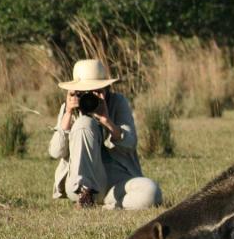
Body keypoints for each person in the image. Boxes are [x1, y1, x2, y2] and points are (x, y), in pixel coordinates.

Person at [49, 59, 162, 210]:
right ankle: (85, 193)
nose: (90, 96)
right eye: (84, 92)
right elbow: (56, 152)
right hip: (80, 183)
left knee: (151, 191)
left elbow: (130, 143)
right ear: (75, 91)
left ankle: (106, 206)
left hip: (115, 181)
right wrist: (68, 114)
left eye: (97, 90)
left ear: (107, 88)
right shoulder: (70, 107)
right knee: (84, 123)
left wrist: (107, 121)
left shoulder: (117, 102)